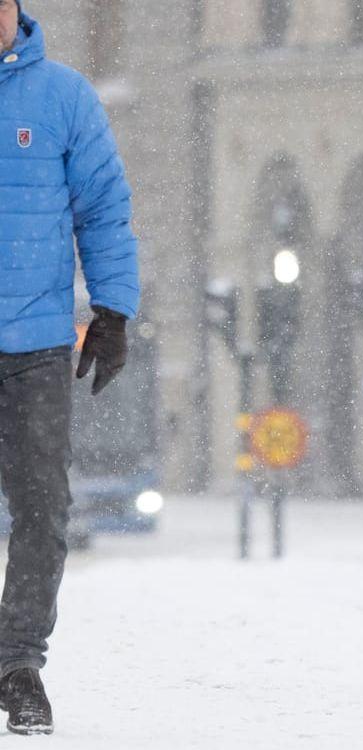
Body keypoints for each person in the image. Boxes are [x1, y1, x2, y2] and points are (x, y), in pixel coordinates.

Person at [0, 0, 139, 734]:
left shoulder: (63, 97)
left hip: (36, 347)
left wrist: (112, 311)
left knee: (44, 510)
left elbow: (104, 208)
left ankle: (18, 663)